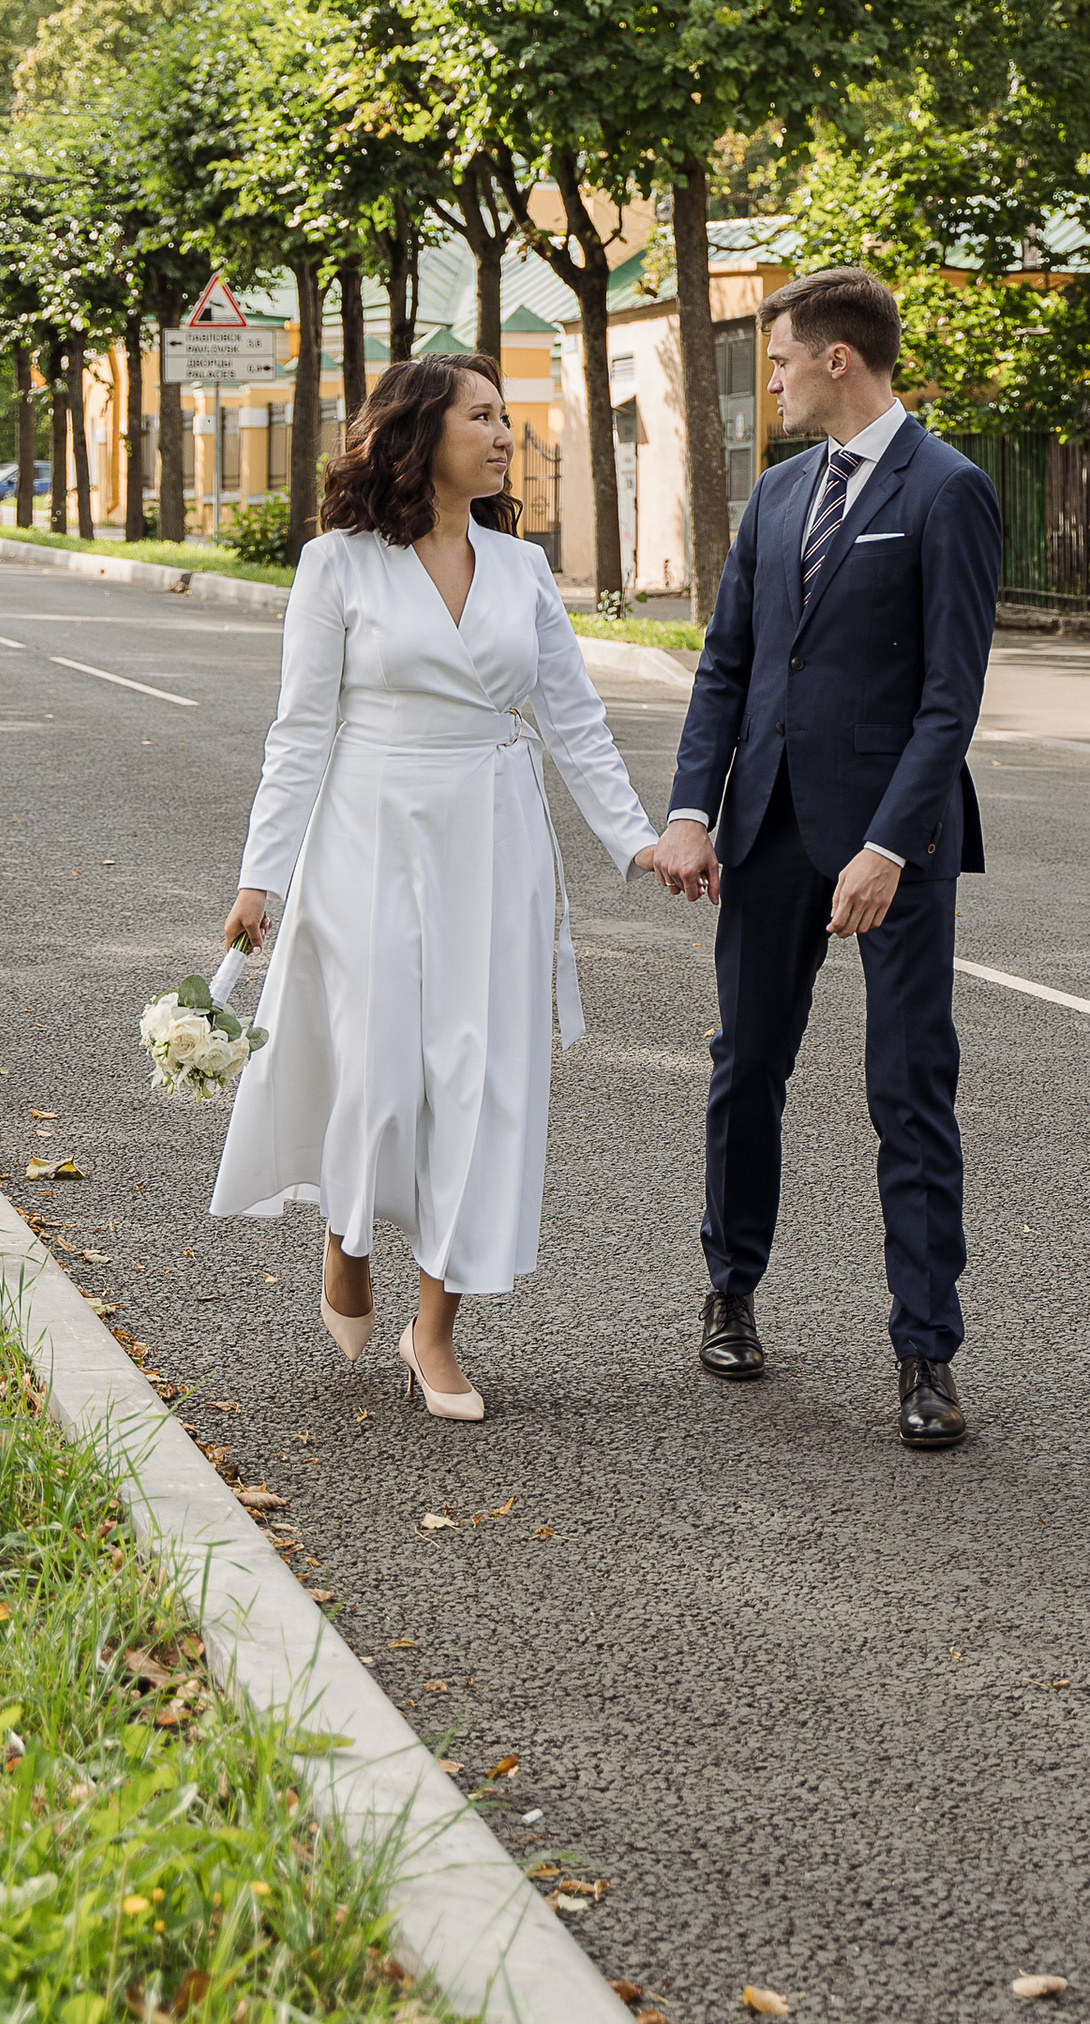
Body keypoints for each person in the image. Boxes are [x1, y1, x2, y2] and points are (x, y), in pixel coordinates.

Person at [212, 351, 660, 1423]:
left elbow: (573, 721)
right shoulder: (338, 565)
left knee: (481, 1075)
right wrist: (259, 878)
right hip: (368, 829)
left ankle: (437, 1330)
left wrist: (637, 841)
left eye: (507, 418)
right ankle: (346, 1235)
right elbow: (298, 730)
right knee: (377, 1066)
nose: (505, 435)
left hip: (493, 840)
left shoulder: (523, 569)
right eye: (483, 417)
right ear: (421, 436)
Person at [646, 267, 1004, 1450]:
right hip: (768, 832)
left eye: (785, 360)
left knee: (908, 1088)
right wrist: (693, 809)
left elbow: (950, 700)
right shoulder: (778, 493)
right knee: (745, 1066)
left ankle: (925, 1355)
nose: (778, 381)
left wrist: (888, 844)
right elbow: (727, 667)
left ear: (838, 360)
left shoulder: (947, 490)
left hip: (893, 843)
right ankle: (730, 1291)